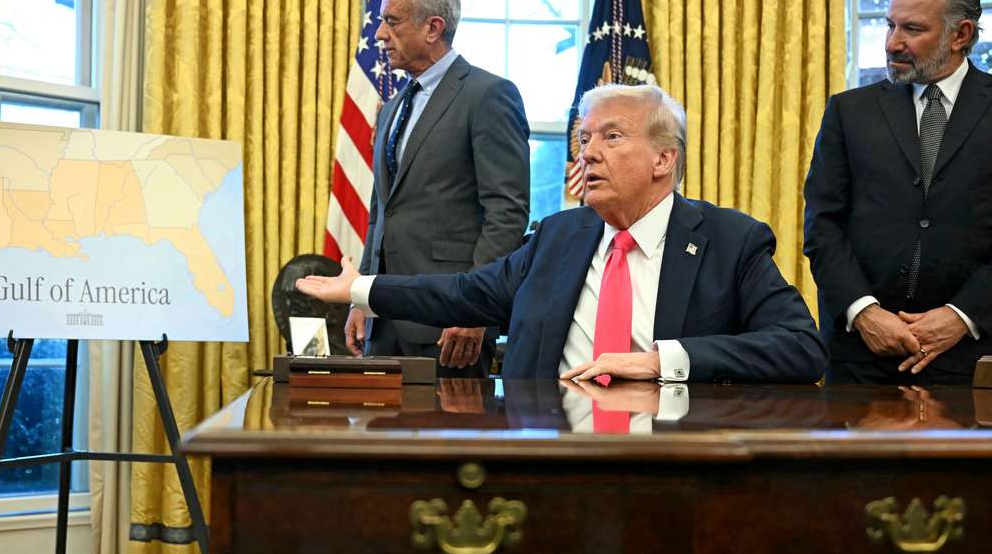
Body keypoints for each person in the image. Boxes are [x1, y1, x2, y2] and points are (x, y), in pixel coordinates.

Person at [300, 83, 827, 385]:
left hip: (669, 461)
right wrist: (359, 289)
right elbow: (462, 293)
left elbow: (801, 347)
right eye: (584, 138)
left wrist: (663, 361)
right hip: (550, 457)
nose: (587, 153)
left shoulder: (729, 241)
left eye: (611, 137)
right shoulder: (558, 237)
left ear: (664, 159)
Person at [804, 0, 992, 385]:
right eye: (890, 25)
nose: (892, 42)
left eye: (912, 29)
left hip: (968, 355)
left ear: (960, 34)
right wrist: (864, 312)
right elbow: (822, 223)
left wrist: (960, 316)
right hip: (859, 355)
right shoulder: (848, 111)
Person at [349, 0, 530, 377]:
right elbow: (382, 214)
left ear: (433, 27)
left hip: (449, 325)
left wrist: (475, 307)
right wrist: (362, 297)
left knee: (450, 423)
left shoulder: (488, 96)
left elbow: (506, 213)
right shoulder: (393, 108)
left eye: (392, 21)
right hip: (384, 320)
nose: (380, 34)